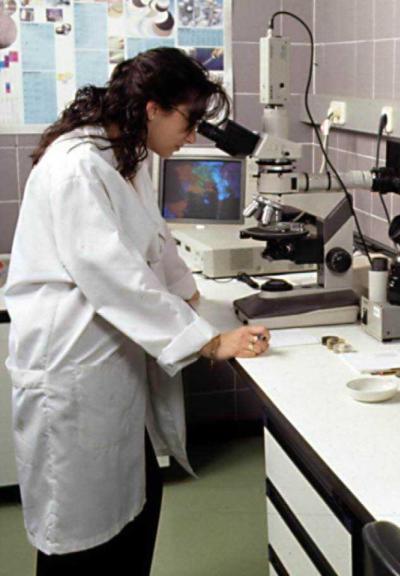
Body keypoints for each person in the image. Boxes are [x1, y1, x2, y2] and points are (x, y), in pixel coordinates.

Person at [6, 47, 271, 574]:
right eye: (188, 120)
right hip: (73, 372)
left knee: (136, 507)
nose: (192, 136)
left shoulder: (125, 154)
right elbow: (115, 277)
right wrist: (209, 343)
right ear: (153, 108)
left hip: (110, 368)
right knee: (81, 539)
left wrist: (205, 308)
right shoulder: (79, 164)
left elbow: (155, 243)